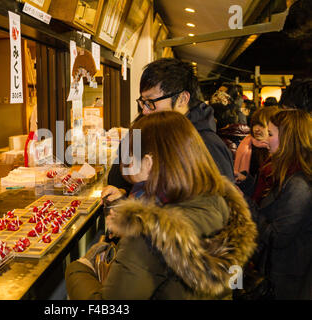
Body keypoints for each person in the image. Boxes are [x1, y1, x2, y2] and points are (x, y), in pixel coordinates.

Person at [65, 112, 257, 299]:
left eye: (130, 158)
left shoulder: (148, 233)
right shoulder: (220, 203)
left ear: (148, 163)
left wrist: (79, 270)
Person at [104, 58, 234, 202]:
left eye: (151, 102)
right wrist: (124, 193)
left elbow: (219, 209)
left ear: (182, 99)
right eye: (143, 102)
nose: (145, 111)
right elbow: (119, 178)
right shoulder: (146, 130)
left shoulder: (207, 145)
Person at [252, 109, 311, 299]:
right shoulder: (289, 174)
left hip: (289, 281)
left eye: (271, 134)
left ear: (288, 138)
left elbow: (278, 237)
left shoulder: (298, 183)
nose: (266, 140)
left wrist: (249, 209)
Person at [234, 107, 279, 183]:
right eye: (255, 125)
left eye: (261, 125)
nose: (256, 129)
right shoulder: (247, 144)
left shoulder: (278, 150)